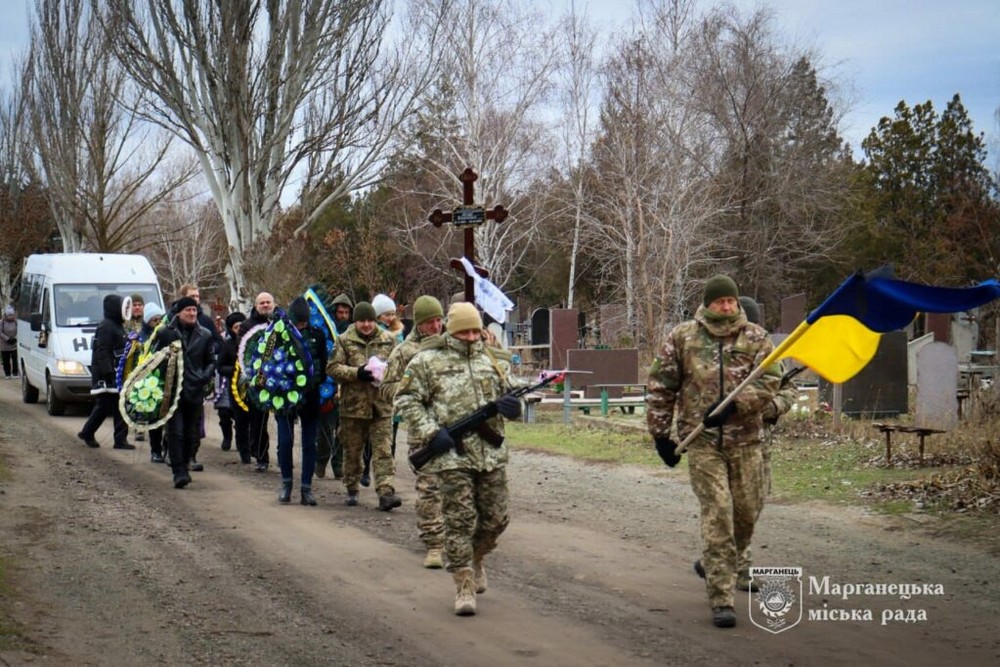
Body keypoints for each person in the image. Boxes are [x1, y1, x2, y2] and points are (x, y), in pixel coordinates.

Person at [645, 275, 781, 629]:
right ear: (707, 304)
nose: (726, 306)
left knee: (747, 511)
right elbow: (662, 385)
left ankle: (717, 560)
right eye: (719, 301)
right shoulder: (683, 337)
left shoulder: (756, 338)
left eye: (731, 301)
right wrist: (661, 435)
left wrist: (738, 407)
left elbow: (770, 381)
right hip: (702, 442)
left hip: (746, 439)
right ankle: (721, 597)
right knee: (718, 511)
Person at [394, 302, 523, 616]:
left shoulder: (493, 359)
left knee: (497, 519)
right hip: (452, 456)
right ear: (451, 331)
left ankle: (476, 558)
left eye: (474, 330)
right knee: (459, 522)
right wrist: (429, 431)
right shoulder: (427, 361)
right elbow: (404, 398)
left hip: (491, 454)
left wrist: (514, 407)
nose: (469, 336)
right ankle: (463, 582)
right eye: (463, 330)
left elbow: (514, 390)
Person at [380, 295, 446, 568]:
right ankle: (433, 544)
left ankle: (458, 538)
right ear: (419, 324)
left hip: (452, 427)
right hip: (422, 432)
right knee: (429, 488)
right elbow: (386, 389)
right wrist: (415, 393)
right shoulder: (404, 352)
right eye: (430, 321)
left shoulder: (449, 347)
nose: (436, 326)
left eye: (439, 320)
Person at [326, 301, 401, 510]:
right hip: (353, 407)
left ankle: (386, 491)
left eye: (370, 320)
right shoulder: (343, 341)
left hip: (381, 406)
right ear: (355, 321)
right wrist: (356, 373)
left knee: (384, 451)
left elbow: (399, 367)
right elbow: (332, 368)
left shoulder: (388, 340)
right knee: (352, 452)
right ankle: (351, 486)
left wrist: (389, 376)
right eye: (362, 321)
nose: (366, 325)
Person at [153, 296, 217, 488]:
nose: (191, 313)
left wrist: (204, 376)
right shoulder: (166, 333)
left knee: (192, 434)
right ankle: (178, 472)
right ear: (179, 312)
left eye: (194, 310)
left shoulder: (204, 334)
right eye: (188, 310)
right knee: (176, 432)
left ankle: (187, 462)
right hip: (172, 392)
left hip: (195, 392)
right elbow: (155, 359)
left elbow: (211, 361)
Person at [275, 297, 328, 506]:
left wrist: (311, 383)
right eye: (298, 322)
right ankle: (286, 483)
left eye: (304, 323)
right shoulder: (279, 334)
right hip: (285, 396)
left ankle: (306, 487)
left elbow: (323, 365)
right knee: (285, 441)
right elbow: (271, 361)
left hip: (311, 396)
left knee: (309, 443)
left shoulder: (317, 335)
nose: (301, 326)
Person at [78, 295, 134, 450]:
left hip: (117, 373)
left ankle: (120, 439)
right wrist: (109, 372)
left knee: (119, 406)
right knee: (104, 406)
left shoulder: (116, 325)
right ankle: (88, 432)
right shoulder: (106, 326)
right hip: (108, 375)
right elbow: (102, 351)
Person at [316, 292, 354, 479]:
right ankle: (321, 460)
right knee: (325, 430)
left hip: (347, 388)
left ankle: (338, 463)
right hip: (328, 388)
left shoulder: (353, 334)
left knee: (344, 430)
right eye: (340, 312)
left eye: (347, 313)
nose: (343, 316)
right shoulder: (325, 332)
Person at [239, 292, 276, 472]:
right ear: (256, 306)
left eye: (268, 302)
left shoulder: (281, 323)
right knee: (258, 421)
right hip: (256, 380)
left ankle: (284, 454)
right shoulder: (247, 326)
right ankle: (262, 456)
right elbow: (243, 352)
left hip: (279, 377)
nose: (265, 305)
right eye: (262, 303)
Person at [138, 303, 168, 463]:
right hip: (151, 382)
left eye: (159, 319)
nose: (157, 322)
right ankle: (155, 450)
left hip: (167, 378)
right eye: (154, 319)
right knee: (154, 418)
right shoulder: (143, 337)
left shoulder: (167, 333)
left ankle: (167, 447)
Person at [216, 312, 249, 459]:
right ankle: (227, 437)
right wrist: (234, 370)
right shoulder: (227, 345)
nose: (239, 329)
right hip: (231, 385)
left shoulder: (251, 342)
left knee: (246, 418)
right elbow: (220, 366)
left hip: (249, 385)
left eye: (241, 326)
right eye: (236, 327)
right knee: (226, 413)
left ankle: (246, 444)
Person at [1, 305, 17, 379]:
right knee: (6, 359)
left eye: (12, 315)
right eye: (9, 315)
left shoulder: (15, 322)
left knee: (15, 358)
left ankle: (15, 372)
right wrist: (7, 339)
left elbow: (19, 330)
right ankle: (7, 373)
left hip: (14, 343)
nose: (11, 317)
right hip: (4, 344)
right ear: (6, 315)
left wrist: (15, 338)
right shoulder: (2, 322)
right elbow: (0, 333)